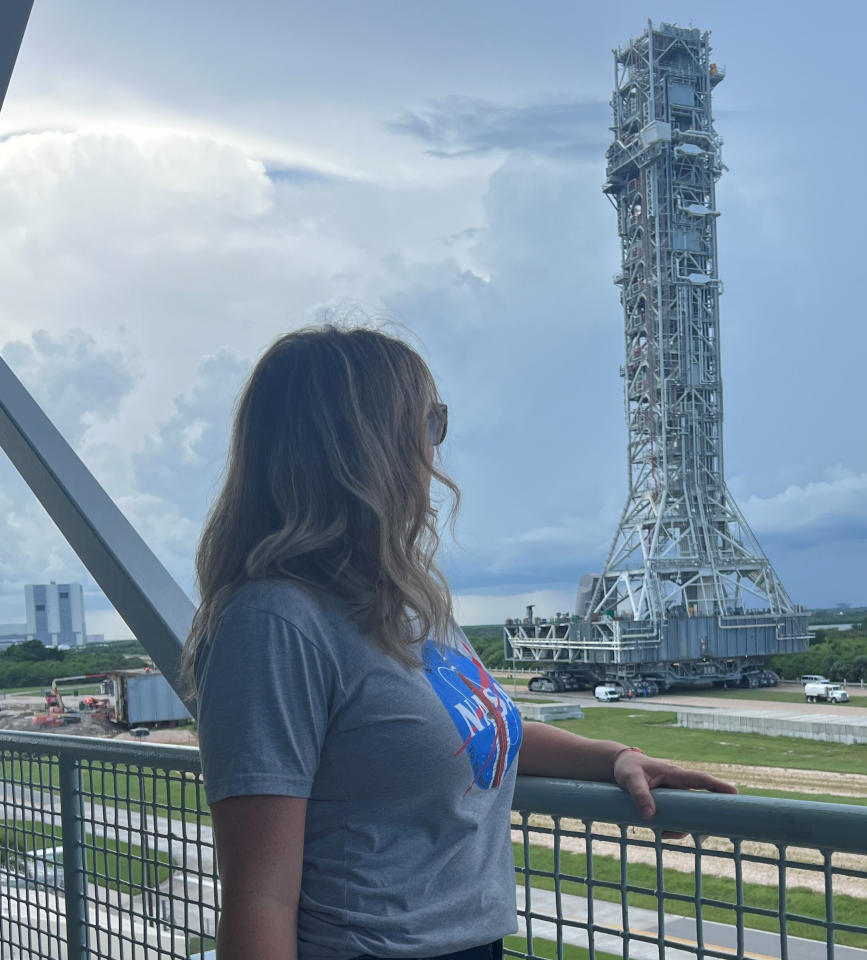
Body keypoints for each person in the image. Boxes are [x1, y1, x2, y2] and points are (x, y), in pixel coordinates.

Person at [181, 325, 736, 960]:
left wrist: (613, 756)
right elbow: (260, 900)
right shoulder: (275, 622)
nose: (435, 448)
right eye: (428, 421)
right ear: (365, 444)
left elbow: (470, 731)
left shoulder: (409, 600)